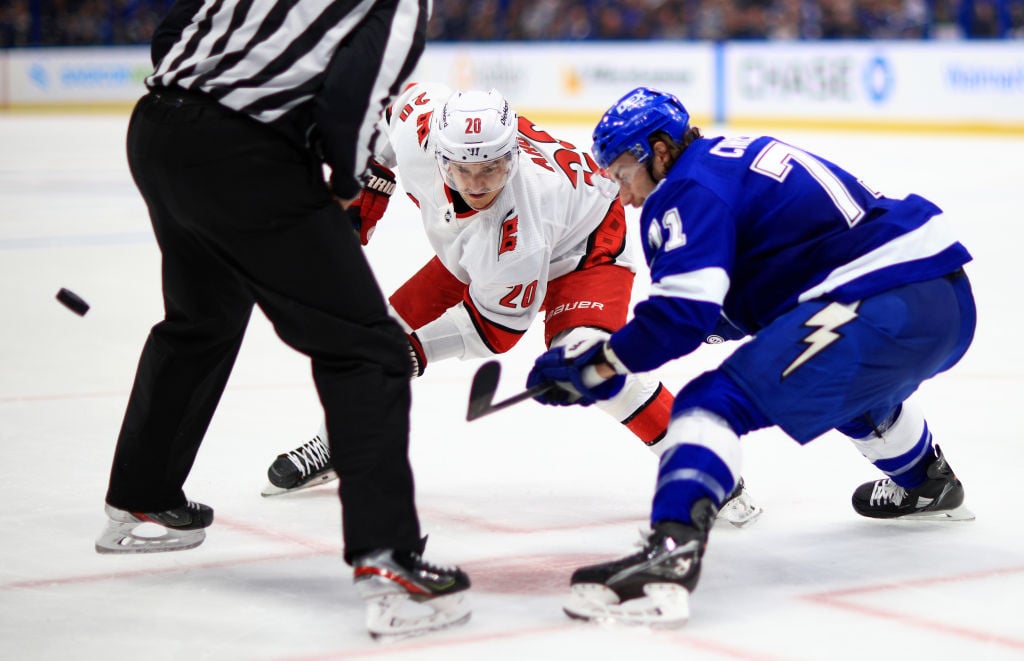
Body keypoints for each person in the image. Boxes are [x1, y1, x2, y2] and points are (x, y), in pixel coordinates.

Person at [526, 87, 977, 627]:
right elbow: (764, 287)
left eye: (623, 173)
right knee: (834, 388)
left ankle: (668, 559)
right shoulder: (730, 159)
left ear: (661, 150)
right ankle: (927, 481)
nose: (621, 194)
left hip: (881, 301)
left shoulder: (685, 190)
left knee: (707, 406)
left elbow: (680, 318)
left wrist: (598, 364)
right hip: (942, 296)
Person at [93, 0, 471, 640]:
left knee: (200, 319)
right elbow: (354, 97)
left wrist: (208, 107)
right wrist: (346, 182)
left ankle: (143, 495)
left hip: (157, 130)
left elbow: (172, 34)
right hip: (245, 157)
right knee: (369, 350)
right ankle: (390, 563)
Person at [260, 81, 763, 527]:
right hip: (476, 245)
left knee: (596, 368)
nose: (477, 184)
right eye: (464, 169)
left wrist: (414, 353)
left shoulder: (518, 229)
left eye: (493, 169)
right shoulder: (420, 122)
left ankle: (705, 470)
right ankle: (340, 441)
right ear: (438, 154)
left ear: (513, 157)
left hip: (585, 245)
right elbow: (382, 116)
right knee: (375, 333)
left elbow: (494, 331)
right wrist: (375, 181)